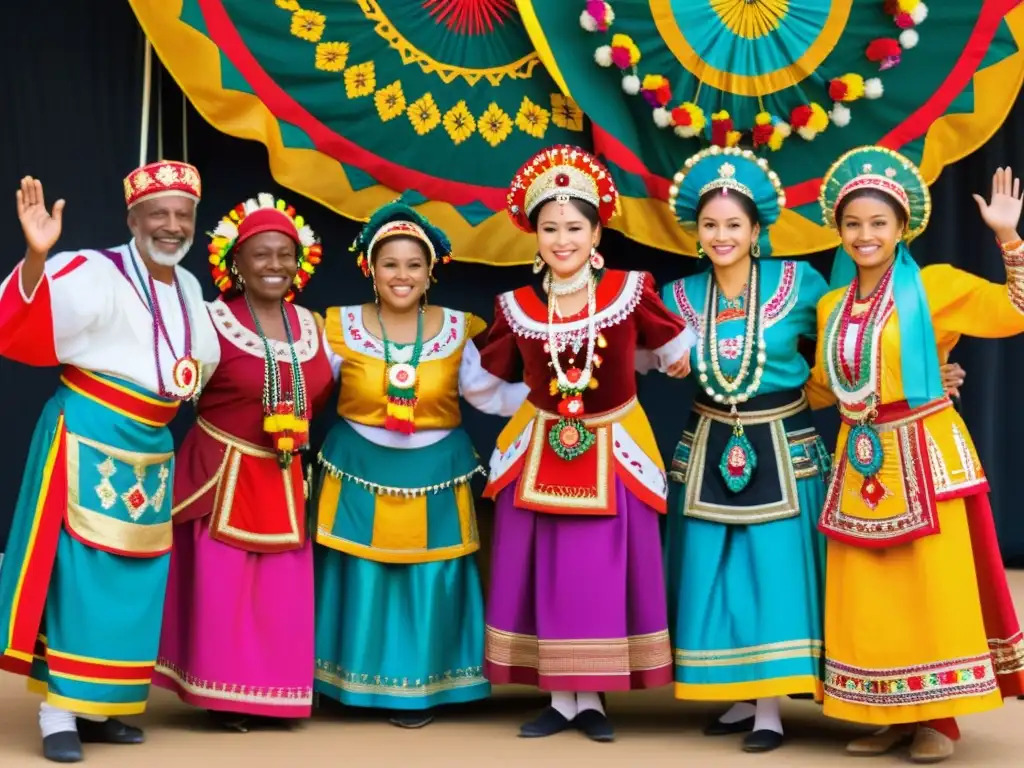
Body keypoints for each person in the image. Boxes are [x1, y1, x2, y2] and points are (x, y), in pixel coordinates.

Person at [0, 164, 220, 762]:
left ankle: (103, 705)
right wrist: (36, 257)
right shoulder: (93, 268)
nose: (172, 227)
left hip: (150, 447)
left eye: (183, 216)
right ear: (132, 219)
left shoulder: (191, 287)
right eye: (159, 215)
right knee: (81, 572)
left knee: (136, 579)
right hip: (90, 435)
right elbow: (25, 321)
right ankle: (58, 715)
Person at [812, 146, 1024, 763]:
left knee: (930, 587)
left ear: (903, 227)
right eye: (853, 224)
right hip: (861, 455)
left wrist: (1009, 238)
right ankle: (888, 711)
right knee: (869, 593)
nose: (865, 235)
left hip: (926, 452)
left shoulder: (935, 287)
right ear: (839, 229)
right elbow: (826, 388)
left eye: (878, 223)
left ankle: (940, 720)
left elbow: (1017, 311)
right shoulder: (831, 307)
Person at [479, 145, 695, 742]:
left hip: (615, 448)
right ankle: (560, 697)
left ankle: (594, 698)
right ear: (535, 234)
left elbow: (674, 352)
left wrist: (663, 360)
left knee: (598, 572)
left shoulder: (630, 289)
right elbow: (484, 379)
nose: (562, 239)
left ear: (597, 230)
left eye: (575, 227)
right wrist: (525, 409)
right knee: (547, 567)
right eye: (551, 228)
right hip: (541, 448)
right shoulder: (516, 305)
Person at [314, 202, 528, 728]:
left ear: (431, 271)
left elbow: (490, 396)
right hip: (357, 470)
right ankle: (345, 686)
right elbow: (306, 385)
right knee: (361, 574)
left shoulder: (458, 329)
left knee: (430, 578)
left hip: (437, 472)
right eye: (390, 263)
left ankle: (422, 691)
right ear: (370, 267)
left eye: (414, 264)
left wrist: (564, 392)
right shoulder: (338, 326)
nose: (402, 275)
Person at [153, 195, 335, 730]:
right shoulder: (209, 321)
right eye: (261, 254)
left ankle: (275, 693)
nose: (275, 264)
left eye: (285, 253)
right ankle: (221, 693)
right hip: (221, 473)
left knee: (281, 588)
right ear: (237, 262)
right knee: (224, 586)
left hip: (282, 475)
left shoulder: (312, 325)